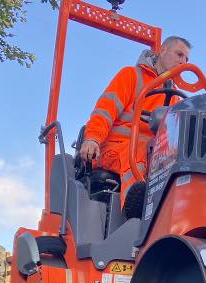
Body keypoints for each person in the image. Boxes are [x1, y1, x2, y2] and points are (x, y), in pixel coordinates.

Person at [79, 36, 191, 204]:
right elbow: (105, 110)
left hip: (152, 153)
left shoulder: (174, 96)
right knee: (141, 152)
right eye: (179, 54)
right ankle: (134, 209)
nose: (183, 62)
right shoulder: (131, 76)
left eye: (187, 59)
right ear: (162, 50)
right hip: (115, 148)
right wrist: (92, 139)